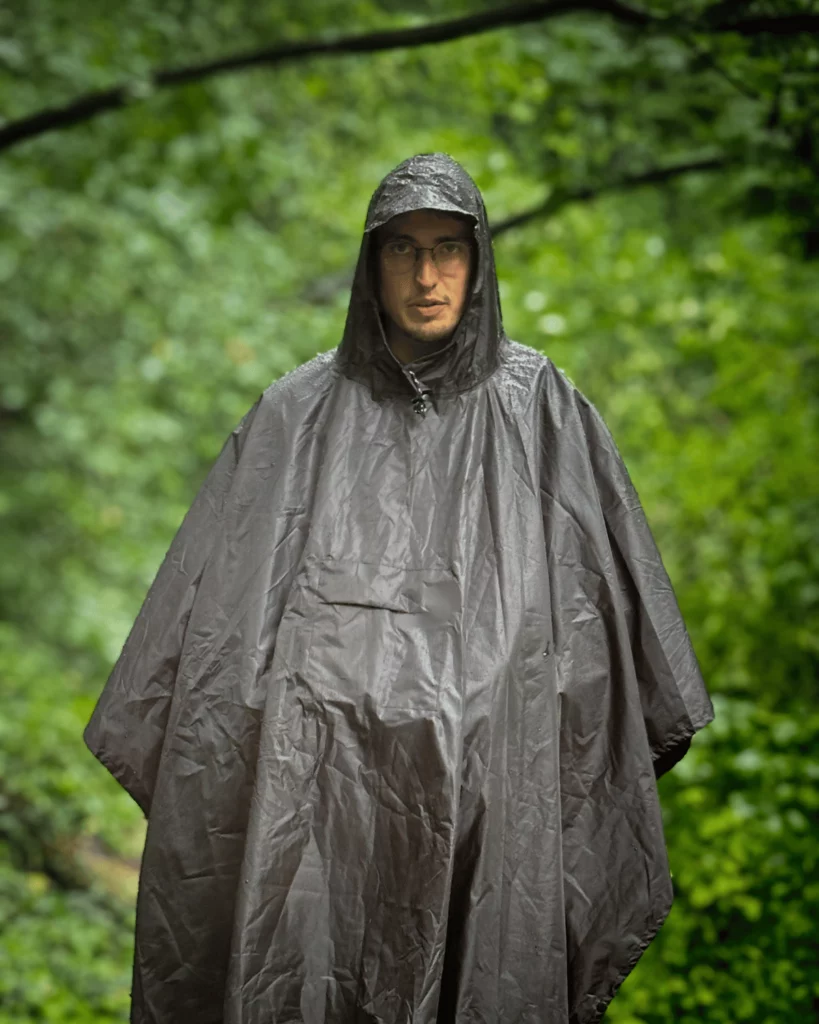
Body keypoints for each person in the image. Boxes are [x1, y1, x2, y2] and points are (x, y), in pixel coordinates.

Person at [84, 153, 714, 1024]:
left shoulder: (541, 410)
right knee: (300, 968)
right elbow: (207, 638)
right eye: (403, 250)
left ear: (479, 261)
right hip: (312, 803)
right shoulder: (293, 415)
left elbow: (607, 628)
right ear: (369, 265)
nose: (426, 277)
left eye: (448, 249)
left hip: (490, 800)